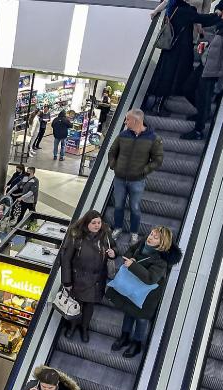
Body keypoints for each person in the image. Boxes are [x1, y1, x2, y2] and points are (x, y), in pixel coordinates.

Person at [108, 226, 182, 358]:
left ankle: (137, 344)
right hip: (132, 287)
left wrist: (133, 265)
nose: (150, 237)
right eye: (151, 234)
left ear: (162, 243)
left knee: (141, 319)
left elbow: (150, 278)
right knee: (128, 312)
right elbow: (130, 251)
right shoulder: (142, 243)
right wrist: (132, 259)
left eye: (155, 237)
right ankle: (124, 337)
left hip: (146, 295)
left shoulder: (161, 261)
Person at [182, 1, 223, 140]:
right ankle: (203, 113)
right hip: (207, 63)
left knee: (204, 96)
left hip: (214, 69)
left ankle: (198, 131)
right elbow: (220, 45)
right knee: (187, 88)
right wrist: (208, 46)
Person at [59, 210, 117, 343]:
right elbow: (66, 259)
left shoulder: (105, 234)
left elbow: (114, 247)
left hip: (96, 279)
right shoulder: (76, 235)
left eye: (99, 222)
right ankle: (72, 326)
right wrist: (67, 281)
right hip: (78, 278)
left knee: (89, 306)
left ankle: (84, 328)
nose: (97, 225)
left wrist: (114, 253)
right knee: (76, 304)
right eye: (94, 223)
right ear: (86, 223)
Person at [147, 0, 211, 116]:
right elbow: (200, 17)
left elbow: (200, 15)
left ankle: (159, 101)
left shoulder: (176, 8)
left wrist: (155, 11)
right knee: (175, 71)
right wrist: (218, 16)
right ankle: (163, 100)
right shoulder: (186, 10)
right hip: (181, 44)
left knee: (168, 70)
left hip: (172, 42)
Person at [108, 109, 164, 244]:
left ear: (136, 121)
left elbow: (158, 160)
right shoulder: (123, 135)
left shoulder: (153, 139)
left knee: (135, 208)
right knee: (118, 206)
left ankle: (134, 233)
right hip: (120, 179)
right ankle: (118, 228)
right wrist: (113, 165)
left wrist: (143, 171)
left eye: (127, 119)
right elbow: (112, 151)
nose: (125, 122)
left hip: (137, 181)